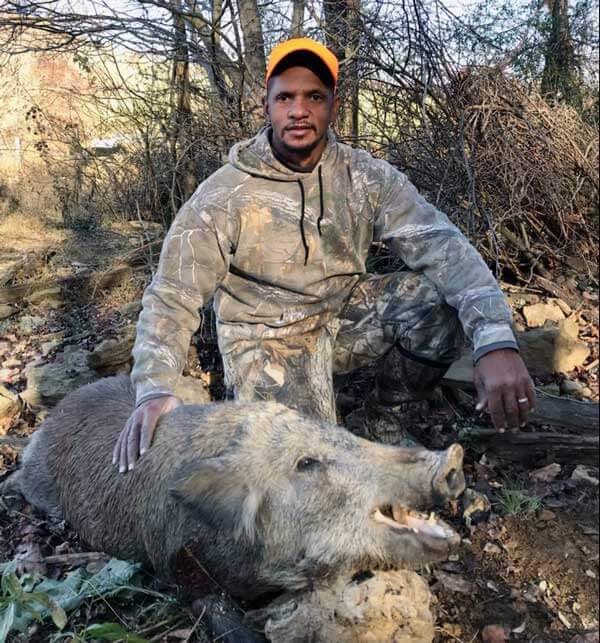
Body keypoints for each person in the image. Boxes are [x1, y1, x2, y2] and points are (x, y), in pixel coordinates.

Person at [113, 37, 535, 473]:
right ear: (266, 105)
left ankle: (382, 421)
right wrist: (155, 387)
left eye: (314, 96)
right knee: (315, 470)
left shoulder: (365, 176)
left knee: (434, 301)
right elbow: (171, 297)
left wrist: (494, 338)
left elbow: (442, 246)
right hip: (266, 340)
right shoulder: (222, 195)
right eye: (286, 97)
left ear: (334, 103)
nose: (299, 110)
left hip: (341, 316)